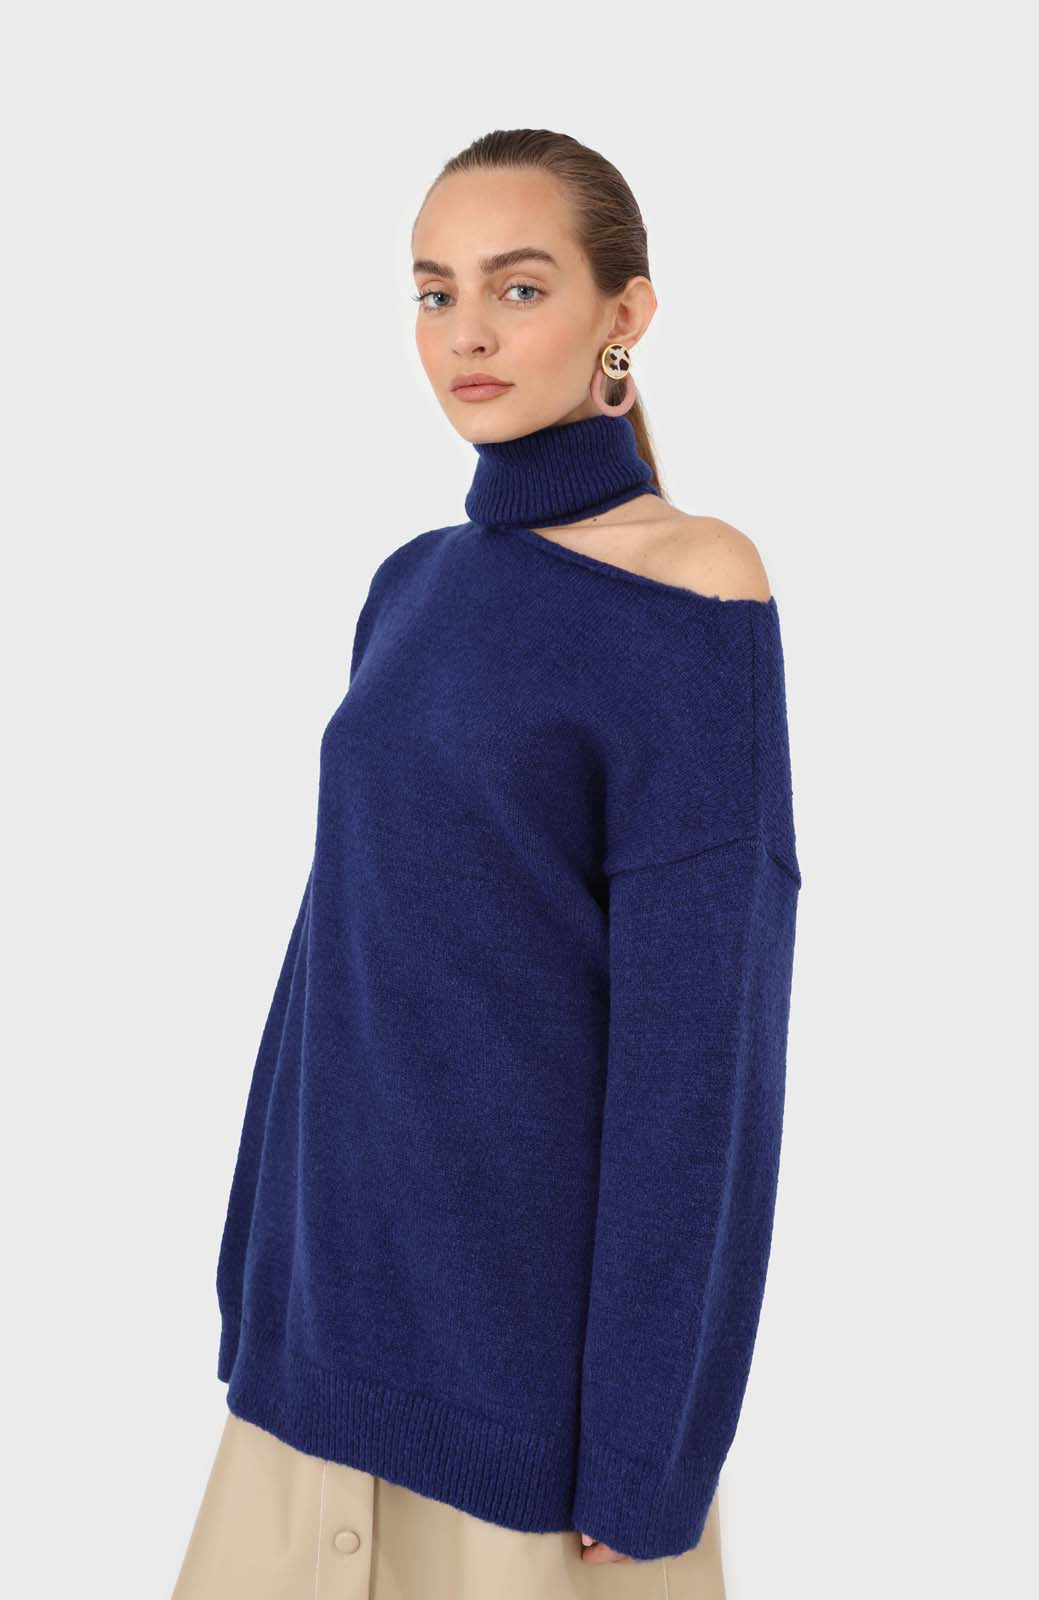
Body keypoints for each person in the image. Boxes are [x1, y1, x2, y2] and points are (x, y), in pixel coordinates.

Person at [171, 127, 802, 1600]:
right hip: (319, 1359)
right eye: (434, 291)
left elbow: (702, 1059)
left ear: (624, 314)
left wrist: (650, 1448)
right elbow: (333, 962)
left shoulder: (697, 585)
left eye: (518, 289)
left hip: (529, 1404)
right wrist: (257, 1285)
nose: (465, 333)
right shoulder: (411, 584)